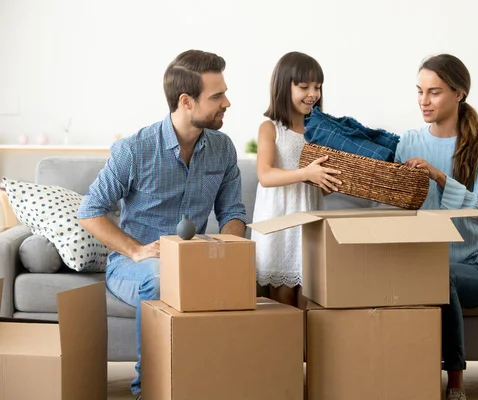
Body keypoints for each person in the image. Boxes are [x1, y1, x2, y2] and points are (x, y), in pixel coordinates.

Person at [77, 50, 246, 399]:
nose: (227, 102)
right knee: (158, 277)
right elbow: (90, 211)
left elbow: (233, 213)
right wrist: (137, 251)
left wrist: (227, 252)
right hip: (133, 265)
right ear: (186, 101)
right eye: (217, 96)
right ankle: (149, 390)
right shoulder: (135, 150)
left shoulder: (223, 149)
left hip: (192, 259)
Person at [394, 54, 478, 400]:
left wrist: (439, 177)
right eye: (420, 91)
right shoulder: (408, 142)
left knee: (442, 273)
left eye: (434, 92)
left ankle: (455, 384)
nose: (424, 101)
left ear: (459, 93)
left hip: (469, 269)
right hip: (419, 260)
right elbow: (395, 205)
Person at [251, 51, 342, 308]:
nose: (313, 93)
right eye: (304, 87)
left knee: (309, 301)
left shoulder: (320, 131)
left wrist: (329, 179)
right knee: (281, 306)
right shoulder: (270, 129)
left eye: (318, 86)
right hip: (279, 225)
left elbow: (324, 188)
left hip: (308, 224)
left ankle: (308, 349)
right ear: (284, 87)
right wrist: (306, 174)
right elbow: (265, 175)